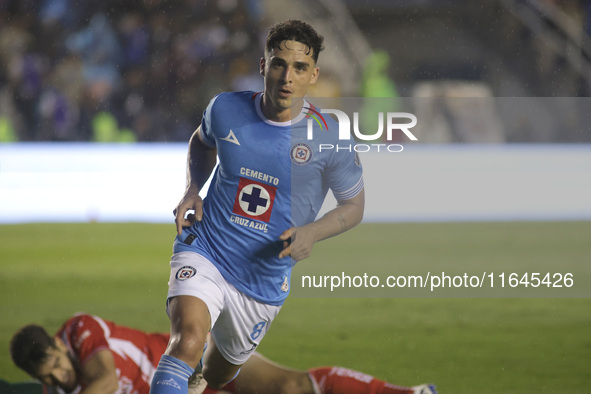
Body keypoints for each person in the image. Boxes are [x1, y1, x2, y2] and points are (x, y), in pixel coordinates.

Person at [150, 19, 367, 394]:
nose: (287, 76)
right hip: (208, 249)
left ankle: (202, 377)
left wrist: (312, 233)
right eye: (279, 63)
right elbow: (202, 143)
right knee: (186, 341)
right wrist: (192, 189)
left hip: (262, 280)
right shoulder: (225, 108)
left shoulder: (330, 136)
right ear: (264, 65)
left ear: (313, 75)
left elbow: (354, 205)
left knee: (217, 375)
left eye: (299, 68)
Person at [9, 313, 437, 394]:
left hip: (195, 364)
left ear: (60, 347)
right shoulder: (57, 388)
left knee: (289, 386)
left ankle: (407, 393)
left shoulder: (80, 330)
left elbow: (103, 379)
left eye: (59, 367)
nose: (62, 379)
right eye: (50, 379)